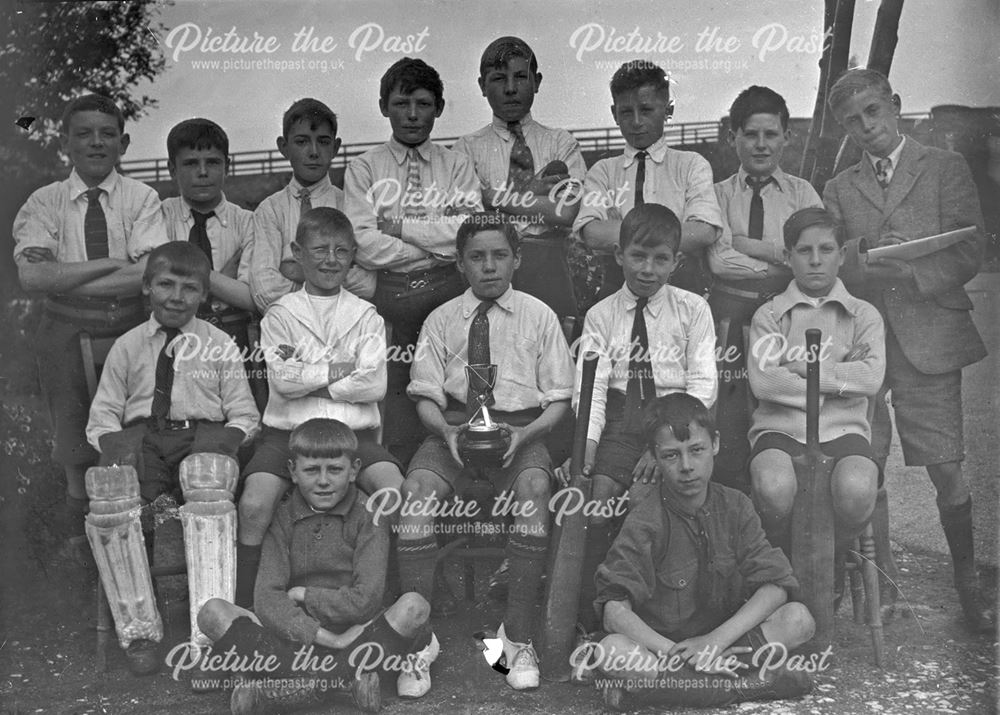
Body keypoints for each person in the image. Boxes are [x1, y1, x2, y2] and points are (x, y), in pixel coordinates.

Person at [823, 68, 993, 633]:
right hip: (867, 342)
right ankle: (883, 587)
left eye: (874, 111)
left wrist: (912, 267)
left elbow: (970, 250)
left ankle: (971, 593)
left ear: (895, 105)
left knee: (947, 468)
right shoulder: (840, 187)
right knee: (864, 464)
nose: (866, 127)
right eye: (853, 120)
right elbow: (834, 264)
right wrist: (868, 258)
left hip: (931, 340)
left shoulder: (946, 168)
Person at [397, 213, 574, 690]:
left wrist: (528, 435)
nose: (489, 267)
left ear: (517, 260)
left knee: (536, 488)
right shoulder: (441, 319)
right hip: (453, 428)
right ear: (460, 264)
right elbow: (425, 395)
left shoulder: (539, 316)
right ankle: (417, 644)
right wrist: (448, 433)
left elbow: (559, 398)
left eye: (500, 256)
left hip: (520, 432)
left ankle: (514, 640)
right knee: (413, 492)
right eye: (477, 257)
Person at [84, 241, 259, 675]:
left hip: (200, 435)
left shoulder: (219, 344)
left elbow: (244, 414)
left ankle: (210, 635)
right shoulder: (127, 346)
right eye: (165, 284)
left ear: (204, 295)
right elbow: (101, 417)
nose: (176, 296)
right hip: (142, 439)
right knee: (112, 501)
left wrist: (222, 444)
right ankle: (139, 630)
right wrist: (119, 450)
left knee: (209, 487)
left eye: (189, 288)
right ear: (147, 287)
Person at [12, 93, 167, 560]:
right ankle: (80, 529)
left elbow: (147, 274)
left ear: (122, 142)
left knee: (137, 423)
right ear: (66, 142)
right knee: (73, 431)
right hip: (64, 328)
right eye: (84, 134)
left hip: (132, 323)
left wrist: (70, 272)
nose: (96, 143)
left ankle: (143, 523)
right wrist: (109, 263)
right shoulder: (46, 202)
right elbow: (34, 276)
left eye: (106, 134)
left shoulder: (142, 197)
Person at [198, 418, 439, 714]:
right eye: (311, 470)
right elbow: (267, 598)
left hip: (355, 630)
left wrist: (305, 594)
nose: (323, 481)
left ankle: (276, 687)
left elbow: (366, 600)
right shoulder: (284, 517)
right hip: (299, 634)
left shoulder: (368, 516)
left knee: (414, 607)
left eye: (335, 469)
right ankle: (342, 681)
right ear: (293, 472)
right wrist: (330, 640)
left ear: (353, 470)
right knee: (211, 613)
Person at [593, 393, 815, 709]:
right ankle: (744, 688)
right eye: (671, 455)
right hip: (665, 651)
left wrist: (714, 644)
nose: (686, 467)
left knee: (799, 620)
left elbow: (777, 588)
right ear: (654, 457)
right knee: (612, 652)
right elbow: (614, 613)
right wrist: (681, 655)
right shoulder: (644, 521)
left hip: (725, 642)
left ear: (715, 444)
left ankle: (663, 692)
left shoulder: (736, 506)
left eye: (696, 450)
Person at [236, 207, 405, 610]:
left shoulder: (365, 315)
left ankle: (390, 593)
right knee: (254, 502)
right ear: (297, 253)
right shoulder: (280, 315)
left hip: (353, 436)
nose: (331, 260)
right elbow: (283, 381)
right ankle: (248, 603)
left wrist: (309, 375)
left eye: (341, 251)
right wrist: (343, 370)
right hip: (289, 436)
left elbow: (375, 383)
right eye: (320, 250)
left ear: (353, 256)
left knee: (397, 493)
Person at [569, 203, 717, 638]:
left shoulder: (693, 310)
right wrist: (587, 447)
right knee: (596, 501)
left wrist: (664, 446)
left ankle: (657, 614)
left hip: (678, 428)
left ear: (678, 262)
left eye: (660, 259)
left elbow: (703, 384)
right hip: (621, 425)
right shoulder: (601, 315)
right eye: (638, 256)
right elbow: (591, 391)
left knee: (648, 501)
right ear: (619, 256)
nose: (648, 269)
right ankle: (593, 615)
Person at [344, 57, 482, 463]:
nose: (412, 114)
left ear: (438, 108)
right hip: (391, 293)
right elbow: (364, 244)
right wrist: (437, 241)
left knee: (455, 383)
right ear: (384, 105)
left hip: (447, 287)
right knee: (399, 389)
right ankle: (402, 476)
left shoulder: (455, 164)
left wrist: (403, 228)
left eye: (423, 103)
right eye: (402, 103)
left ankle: (460, 467)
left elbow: (467, 231)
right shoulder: (364, 168)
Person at [747, 207, 883, 564]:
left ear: (841, 255)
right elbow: (764, 382)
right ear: (788, 257)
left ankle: (834, 560)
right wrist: (840, 374)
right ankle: (783, 560)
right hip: (781, 430)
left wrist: (805, 370)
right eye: (804, 251)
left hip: (844, 430)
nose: (816, 261)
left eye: (826, 250)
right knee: (773, 488)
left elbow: (870, 379)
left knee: (857, 490)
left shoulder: (862, 314)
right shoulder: (771, 314)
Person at [707, 86, 824, 491]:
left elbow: (813, 262)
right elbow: (719, 261)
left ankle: (784, 535)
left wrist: (750, 245)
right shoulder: (716, 194)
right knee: (731, 422)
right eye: (750, 134)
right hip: (731, 318)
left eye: (771, 134)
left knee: (785, 419)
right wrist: (782, 262)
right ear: (732, 137)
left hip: (785, 321)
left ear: (787, 137)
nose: (760, 145)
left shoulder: (802, 193)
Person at [451, 36, 586, 322]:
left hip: (549, 266)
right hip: (491, 266)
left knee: (556, 354)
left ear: (536, 81)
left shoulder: (560, 143)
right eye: (499, 79)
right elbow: (468, 218)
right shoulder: (466, 149)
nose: (511, 89)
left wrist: (493, 197)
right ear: (482, 86)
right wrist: (533, 191)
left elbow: (565, 212)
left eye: (520, 77)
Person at [573, 60, 722, 300]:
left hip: (679, 290)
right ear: (614, 114)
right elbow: (591, 232)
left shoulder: (692, 165)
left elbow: (704, 231)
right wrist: (671, 236)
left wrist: (623, 232)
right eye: (626, 112)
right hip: (617, 291)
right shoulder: (603, 171)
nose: (636, 122)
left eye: (646, 110)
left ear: (668, 111)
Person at [160, 118, 264, 406]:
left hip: (233, 338)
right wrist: (221, 279)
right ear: (172, 169)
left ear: (227, 166)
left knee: (239, 419)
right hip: (174, 338)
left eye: (213, 162)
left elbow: (252, 297)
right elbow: (158, 285)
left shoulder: (248, 222)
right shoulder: (159, 216)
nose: (203, 172)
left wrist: (190, 276)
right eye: (191, 163)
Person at [249, 98, 373, 312]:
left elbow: (366, 282)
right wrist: (328, 280)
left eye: (323, 141)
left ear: (335, 147)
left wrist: (294, 270)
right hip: (289, 324)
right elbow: (265, 288)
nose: (314, 151)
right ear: (283, 147)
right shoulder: (270, 210)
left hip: (342, 320)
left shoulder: (350, 204)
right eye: (301, 142)